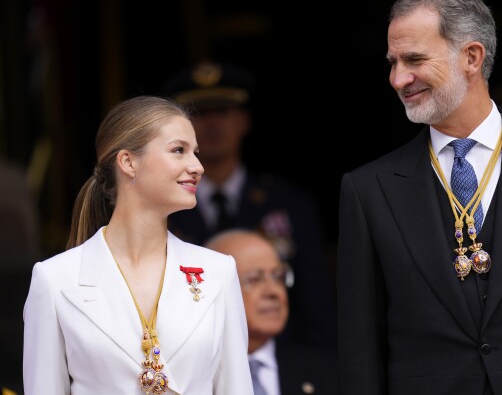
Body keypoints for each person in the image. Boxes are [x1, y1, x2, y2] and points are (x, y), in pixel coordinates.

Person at [336, 0, 502, 394]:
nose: (398, 79)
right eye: (393, 63)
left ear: (472, 57)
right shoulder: (368, 189)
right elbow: (360, 351)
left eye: (414, 60)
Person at [22, 95, 253, 394]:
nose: (198, 166)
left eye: (194, 153)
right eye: (179, 150)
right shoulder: (54, 279)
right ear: (129, 162)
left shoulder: (218, 271)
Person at [162, 60, 337, 353]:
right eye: (200, 114)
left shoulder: (289, 204)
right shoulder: (162, 210)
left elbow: (316, 305)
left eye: (223, 111)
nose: (213, 123)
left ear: (243, 121)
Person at [205, 229, 339, 395]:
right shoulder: (187, 375)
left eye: (278, 276)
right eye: (255, 278)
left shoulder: (327, 374)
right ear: (212, 290)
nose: (274, 291)